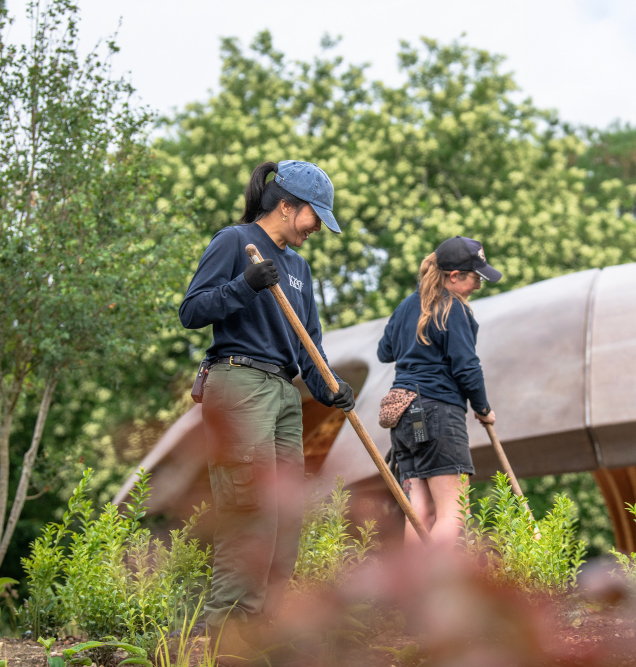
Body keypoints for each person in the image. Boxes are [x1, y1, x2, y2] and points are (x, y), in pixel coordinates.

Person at [179, 160, 354, 654]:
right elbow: (192, 311)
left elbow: (308, 348)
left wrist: (330, 388)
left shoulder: (299, 268)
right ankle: (226, 647)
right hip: (239, 384)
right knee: (248, 512)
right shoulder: (235, 242)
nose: (317, 227)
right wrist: (245, 285)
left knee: (283, 518)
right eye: (314, 216)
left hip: (283, 393)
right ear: (286, 206)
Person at [377, 236, 501, 549]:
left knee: (420, 512)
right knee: (454, 513)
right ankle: (430, 594)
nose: (478, 286)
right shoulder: (453, 309)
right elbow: (467, 367)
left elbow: (384, 351)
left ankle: (410, 595)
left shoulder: (409, 304)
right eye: (476, 278)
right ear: (455, 275)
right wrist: (483, 408)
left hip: (406, 415)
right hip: (437, 413)